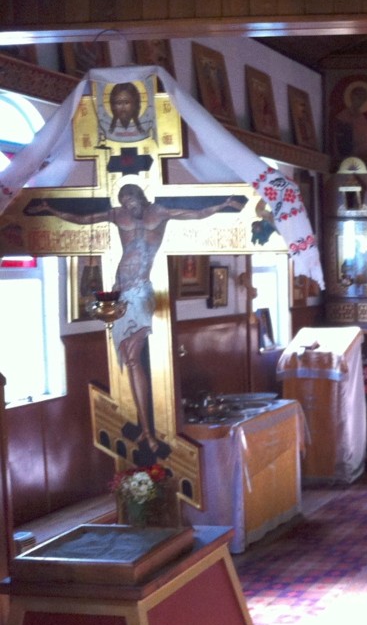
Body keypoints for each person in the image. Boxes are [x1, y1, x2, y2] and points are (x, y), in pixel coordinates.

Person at [28, 184, 245, 462]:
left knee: (132, 353)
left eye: (131, 200)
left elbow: (195, 213)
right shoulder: (117, 215)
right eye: (124, 201)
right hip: (120, 292)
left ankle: (148, 430)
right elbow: (83, 219)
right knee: (130, 359)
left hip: (141, 290)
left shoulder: (160, 212)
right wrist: (50, 209)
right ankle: (145, 430)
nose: (128, 206)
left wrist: (223, 204)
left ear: (141, 197)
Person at [335, 83, 367, 158]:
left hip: (366, 156)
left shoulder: (361, 117)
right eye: (359, 98)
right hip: (352, 157)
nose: (361, 102)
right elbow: (350, 143)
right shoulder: (343, 116)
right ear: (352, 97)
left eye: (363, 99)